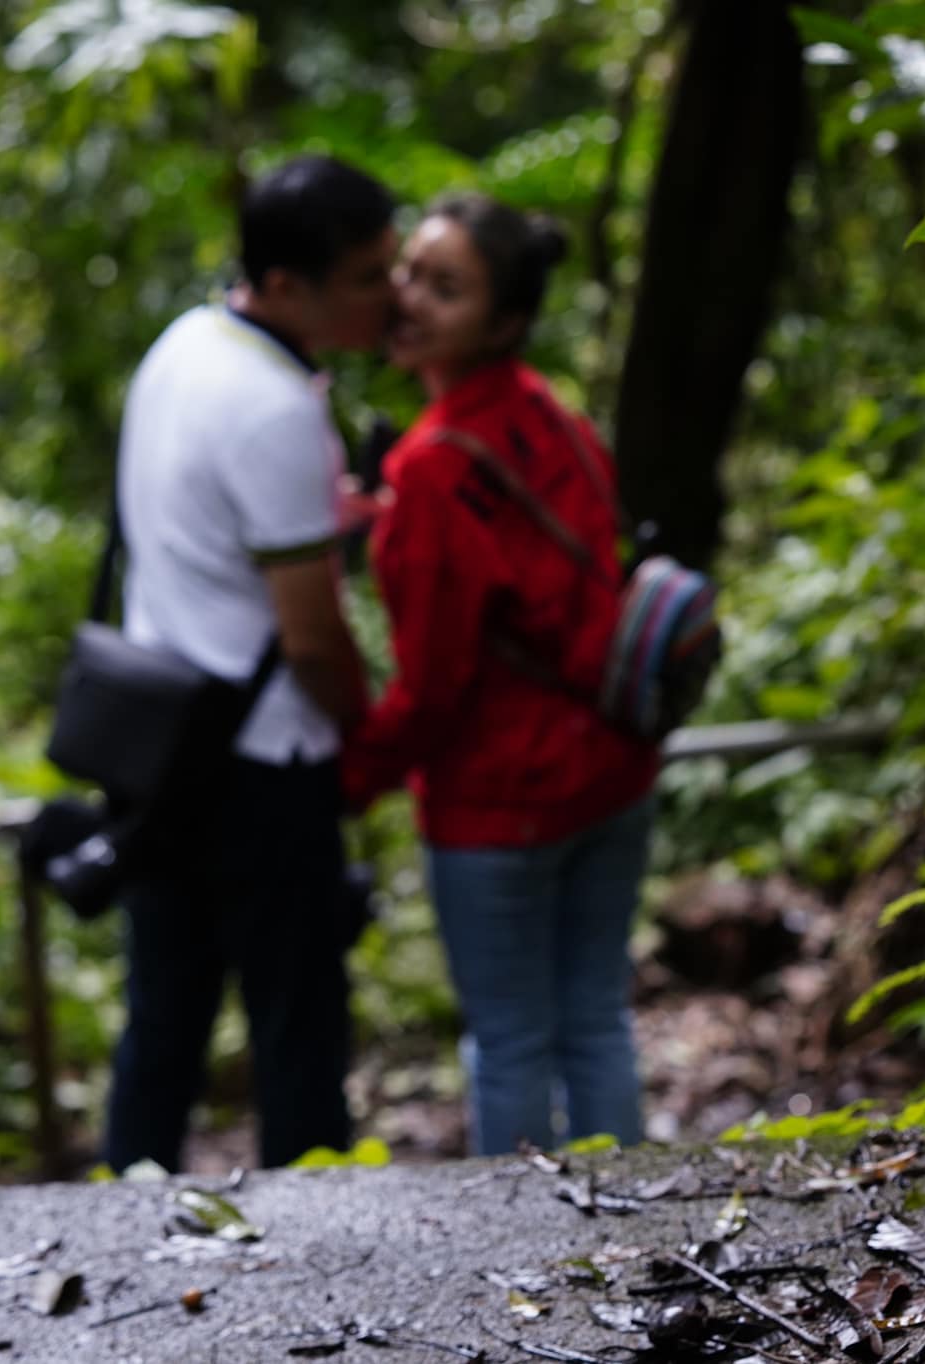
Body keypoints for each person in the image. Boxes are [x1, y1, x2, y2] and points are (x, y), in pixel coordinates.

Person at [342, 193, 659, 1155]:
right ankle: (637, 1250)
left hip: (498, 802)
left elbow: (436, 685)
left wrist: (349, 776)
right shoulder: (552, 417)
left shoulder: (435, 468)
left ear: (504, 319)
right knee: (596, 1022)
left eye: (446, 288)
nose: (411, 301)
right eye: (410, 276)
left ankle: (534, 1287)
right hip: (612, 769)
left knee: (513, 1044)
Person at [104, 155, 397, 1172]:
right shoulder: (276, 404)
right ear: (284, 285)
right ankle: (310, 1265)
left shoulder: (185, 344)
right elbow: (313, 636)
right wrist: (368, 739)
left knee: (163, 1019)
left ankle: (119, 1225)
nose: (388, 296)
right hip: (264, 762)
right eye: (367, 276)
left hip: (163, 743)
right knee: (297, 1025)